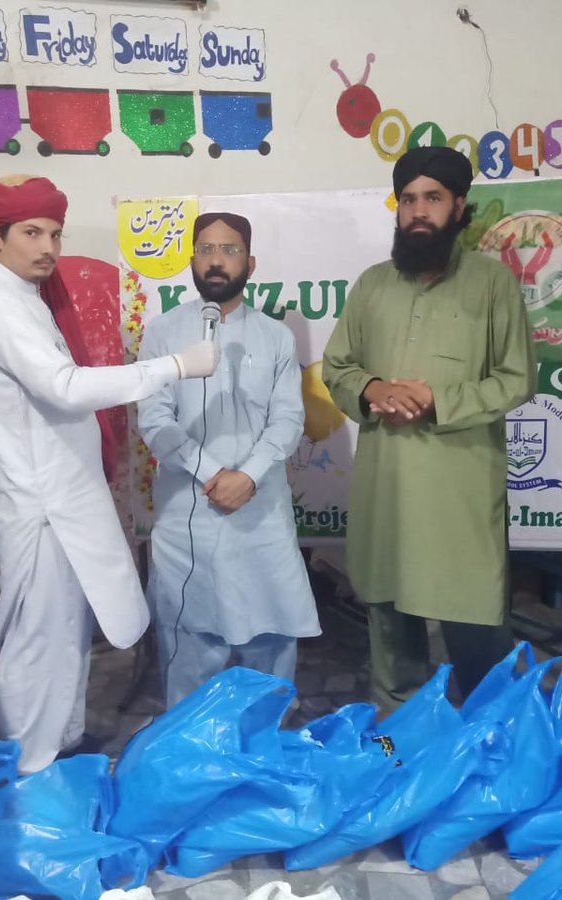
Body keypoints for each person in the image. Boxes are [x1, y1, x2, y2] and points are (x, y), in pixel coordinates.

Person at [0, 176, 220, 773]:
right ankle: (29, 767)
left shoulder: (25, 297)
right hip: (42, 505)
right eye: (30, 232)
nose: (47, 246)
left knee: (67, 637)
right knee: (38, 644)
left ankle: (59, 750)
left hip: (63, 498)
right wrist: (174, 365)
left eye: (53, 233)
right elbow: (65, 388)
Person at [322, 145, 535, 712]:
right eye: (408, 199)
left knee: (476, 627)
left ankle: (498, 742)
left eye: (433, 199)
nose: (418, 212)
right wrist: (373, 390)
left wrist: (438, 399)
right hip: (388, 483)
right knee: (391, 625)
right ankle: (404, 750)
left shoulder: (494, 285)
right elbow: (338, 367)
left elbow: (516, 380)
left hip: (459, 487)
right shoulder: (371, 285)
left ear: (459, 207)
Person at [138, 212, 322, 707]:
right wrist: (211, 471)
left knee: (271, 634)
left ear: (250, 261)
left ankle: (265, 749)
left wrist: (248, 475)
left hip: (260, 511)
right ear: (192, 259)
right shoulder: (162, 332)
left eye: (230, 249)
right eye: (206, 250)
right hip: (188, 512)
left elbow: (288, 420)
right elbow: (154, 420)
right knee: (190, 642)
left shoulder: (276, 336)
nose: (216, 261)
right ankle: (192, 757)